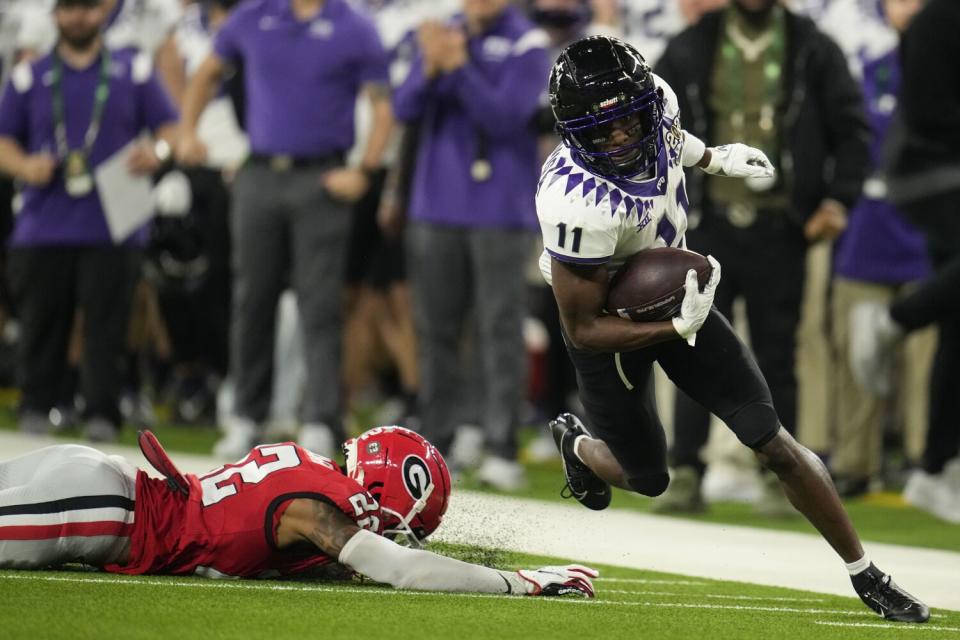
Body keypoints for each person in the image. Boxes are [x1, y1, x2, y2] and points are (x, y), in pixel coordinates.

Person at [538, 35, 927, 623]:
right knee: (648, 478)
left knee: (773, 440)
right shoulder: (575, 204)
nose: (620, 138)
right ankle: (581, 446)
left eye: (628, 122)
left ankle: (867, 574)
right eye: (601, 130)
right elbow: (584, 329)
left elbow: (672, 139)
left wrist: (716, 158)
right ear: (572, 134)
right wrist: (671, 324)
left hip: (676, 295)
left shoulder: (659, 101)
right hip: (611, 322)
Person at [651, 0, 870, 515]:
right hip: (709, 223)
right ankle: (686, 469)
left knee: (777, 355)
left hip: (782, 227)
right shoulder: (693, 43)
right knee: (691, 344)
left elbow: (853, 128)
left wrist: (839, 199)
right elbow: (651, 120)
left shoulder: (811, 45)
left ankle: (780, 477)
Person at [0, 426, 597, 597]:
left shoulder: (307, 473)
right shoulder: (317, 510)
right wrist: (518, 583)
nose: (400, 537)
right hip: (104, 511)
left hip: (98, 480)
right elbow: (403, 571)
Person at [176, 0, 394, 459]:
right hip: (258, 173)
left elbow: (383, 105)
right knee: (252, 299)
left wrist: (366, 170)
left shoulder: (353, 26)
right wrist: (187, 131)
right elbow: (206, 72)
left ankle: (319, 419)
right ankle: (245, 416)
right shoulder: (252, 16)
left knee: (320, 303)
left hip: (322, 176)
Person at [0, 0, 178, 441]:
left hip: (113, 224)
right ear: (55, 16)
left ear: (103, 14)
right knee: (41, 322)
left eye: (87, 8)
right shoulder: (31, 75)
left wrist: (155, 154)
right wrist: (25, 167)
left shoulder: (131, 69)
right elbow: (2, 139)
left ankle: (102, 411)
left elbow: (170, 130)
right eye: (69, 9)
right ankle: (36, 407)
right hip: (44, 221)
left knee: (108, 325)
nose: (78, 18)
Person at [393, 0, 551, 490]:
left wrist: (459, 68)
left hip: (499, 210)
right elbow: (404, 107)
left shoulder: (529, 42)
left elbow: (505, 116)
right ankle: (438, 442)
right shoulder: (443, 33)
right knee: (436, 329)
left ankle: (501, 444)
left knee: (498, 329)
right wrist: (430, 67)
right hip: (435, 206)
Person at [851, 0, 960, 524]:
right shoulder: (940, 18)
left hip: (943, 172)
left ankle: (936, 468)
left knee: (958, 321)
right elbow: (930, 111)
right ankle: (893, 320)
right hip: (930, 172)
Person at [827, 0, 932, 498]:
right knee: (857, 356)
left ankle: (926, 459)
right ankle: (854, 461)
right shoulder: (864, 68)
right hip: (869, 231)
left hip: (929, 232)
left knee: (928, 358)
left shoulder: (944, 69)